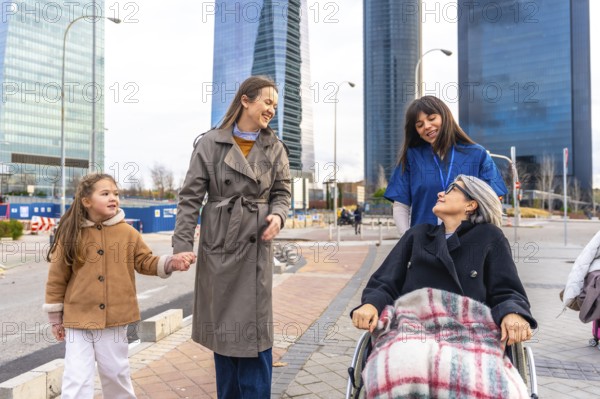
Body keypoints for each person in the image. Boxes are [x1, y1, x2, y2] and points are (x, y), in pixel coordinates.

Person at [352, 175, 536, 397]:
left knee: (477, 376)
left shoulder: (490, 237)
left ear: (471, 204)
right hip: (411, 327)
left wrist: (513, 313)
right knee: (398, 364)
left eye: (451, 189)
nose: (441, 193)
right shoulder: (417, 235)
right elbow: (385, 281)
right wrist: (371, 304)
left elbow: (507, 290)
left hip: (469, 330)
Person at [172, 76, 291, 398]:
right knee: (225, 333)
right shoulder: (210, 143)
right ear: (246, 101)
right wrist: (181, 247)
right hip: (220, 246)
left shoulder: (275, 146)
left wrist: (278, 215)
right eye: (267, 102)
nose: (271, 110)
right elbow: (190, 199)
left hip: (256, 245)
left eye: (275, 106)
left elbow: (282, 192)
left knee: (255, 334)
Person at [43, 173, 195, 399]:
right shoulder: (70, 234)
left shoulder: (128, 233)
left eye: (116, 194)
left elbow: (145, 262)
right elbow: (56, 278)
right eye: (105, 194)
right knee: (76, 377)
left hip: (115, 318)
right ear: (86, 201)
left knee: (116, 373)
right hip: (78, 319)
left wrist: (171, 262)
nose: (113, 198)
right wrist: (56, 318)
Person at [384, 95, 507, 235]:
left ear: (444, 116)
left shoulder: (477, 154)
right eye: (420, 125)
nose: (427, 126)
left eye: (431, 119)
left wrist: (484, 240)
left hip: (467, 243)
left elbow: (493, 201)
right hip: (424, 244)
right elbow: (401, 206)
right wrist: (407, 241)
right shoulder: (412, 157)